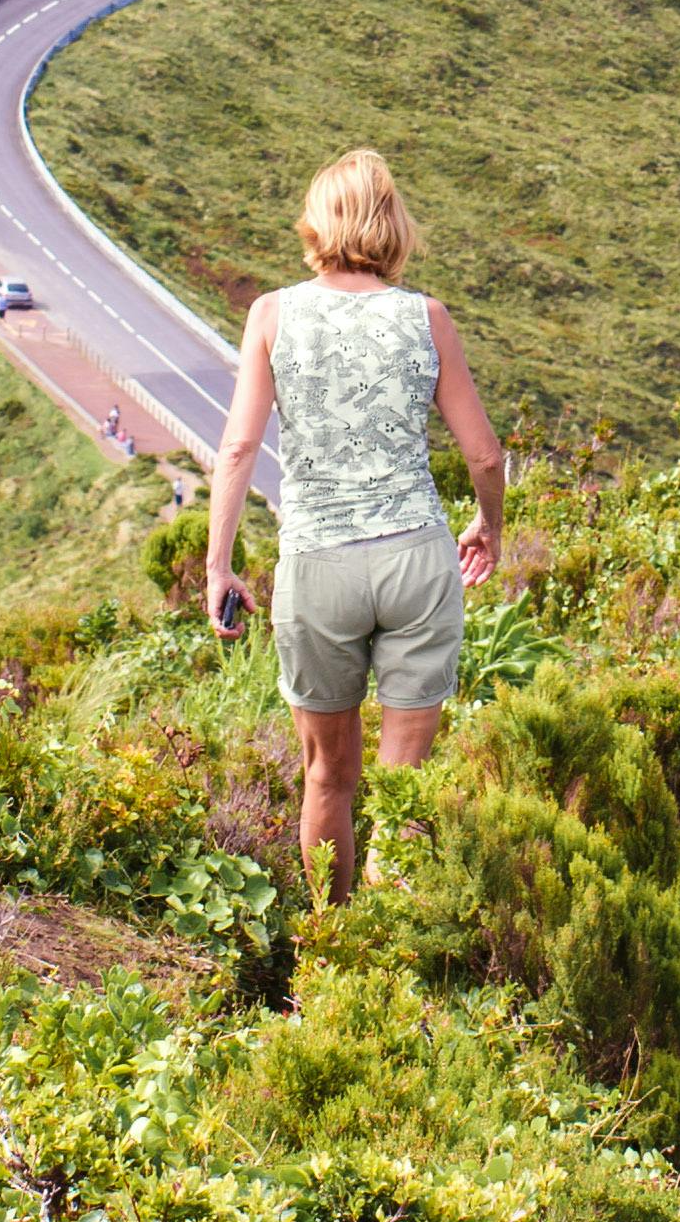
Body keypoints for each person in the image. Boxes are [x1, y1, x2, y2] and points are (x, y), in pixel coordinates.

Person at [204, 145, 503, 902]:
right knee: (403, 791)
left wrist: (219, 564)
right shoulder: (425, 318)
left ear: (315, 222)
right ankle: (389, 958)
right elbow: (485, 453)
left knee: (327, 778)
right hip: (415, 561)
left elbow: (239, 446)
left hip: (318, 564)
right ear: (393, 225)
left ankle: (332, 943)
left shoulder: (272, 314)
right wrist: (488, 526)